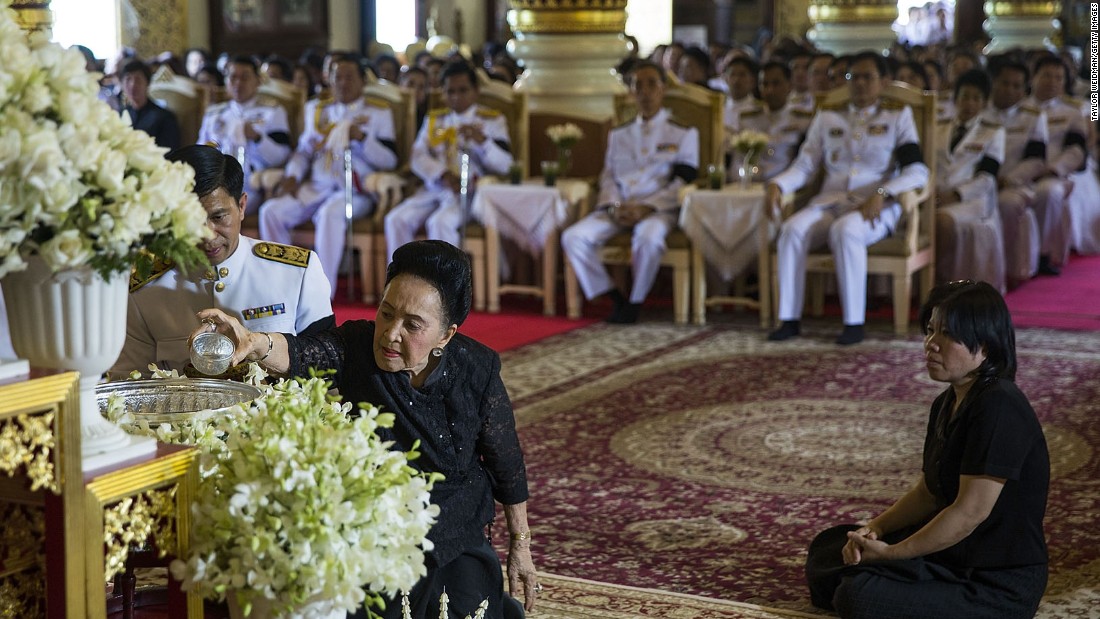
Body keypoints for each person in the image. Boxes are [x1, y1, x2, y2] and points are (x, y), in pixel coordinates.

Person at [191, 240, 540, 619]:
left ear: (446, 335)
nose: (391, 334)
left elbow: (506, 463)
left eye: (413, 325)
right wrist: (254, 342)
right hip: (379, 526)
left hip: (456, 526)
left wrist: (520, 546)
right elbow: (302, 354)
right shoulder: (356, 344)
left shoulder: (477, 368)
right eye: (386, 313)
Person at [805, 280, 1049, 619]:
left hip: (994, 580)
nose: (931, 344)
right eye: (931, 330)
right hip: (954, 555)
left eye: (947, 335)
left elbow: (968, 513)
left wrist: (893, 555)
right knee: (829, 548)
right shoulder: (947, 401)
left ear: (985, 346)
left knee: (858, 597)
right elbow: (929, 494)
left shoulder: (999, 408)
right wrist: (876, 529)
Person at [112, 145, 333, 375]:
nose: (207, 234)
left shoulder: (297, 272)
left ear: (242, 206)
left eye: (218, 217)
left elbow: (328, 368)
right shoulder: (143, 291)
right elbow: (132, 382)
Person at [766, 51, 930, 345]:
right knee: (791, 229)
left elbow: (917, 170)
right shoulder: (828, 116)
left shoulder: (897, 116)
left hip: (877, 206)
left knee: (845, 230)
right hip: (830, 200)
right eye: (854, 77)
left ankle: (853, 323)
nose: (860, 84)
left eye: (869, 77)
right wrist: (778, 185)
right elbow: (805, 165)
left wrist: (883, 192)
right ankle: (788, 318)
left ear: (884, 81)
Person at [560, 60, 699, 324]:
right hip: (620, 207)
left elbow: (684, 181)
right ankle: (614, 297)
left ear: (663, 89)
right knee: (573, 237)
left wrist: (648, 207)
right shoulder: (619, 134)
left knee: (649, 237)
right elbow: (609, 176)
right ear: (631, 92)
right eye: (638, 86)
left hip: (658, 209)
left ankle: (635, 301)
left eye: (651, 85)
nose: (645, 92)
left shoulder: (682, 133)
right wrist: (613, 206)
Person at [259, 56, 398, 296]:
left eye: (349, 77)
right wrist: (292, 175)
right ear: (329, 80)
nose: (343, 83)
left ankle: (322, 292)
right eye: (337, 77)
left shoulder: (378, 112)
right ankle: (281, 286)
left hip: (355, 190)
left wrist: (362, 139)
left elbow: (389, 160)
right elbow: (303, 151)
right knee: (270, 211)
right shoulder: (317, 110)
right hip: (317, 185)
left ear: (363, 81)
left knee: (330, 214)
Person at [384, 61, 514, 260]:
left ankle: (446, 287)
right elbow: (417, 156)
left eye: (463, 91)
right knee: (395, 219)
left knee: (440, 222)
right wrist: (441, 174)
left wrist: (482, 142)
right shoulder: (435, 120)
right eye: (450, 91)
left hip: (468, 193)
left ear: (476, 90)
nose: (456, 97)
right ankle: (401, 279)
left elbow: (506, 165)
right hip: (436, 186)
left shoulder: (491, 120)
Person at [982, 59, 1056, 285]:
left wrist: (1008, 179)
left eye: (1016, 86)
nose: (1010, 90)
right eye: (1004, 83)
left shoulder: (1033, 116)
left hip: (1013, 184)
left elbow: (1036, 161)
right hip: (978, 181)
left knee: (1008, 204)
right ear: (993, 83)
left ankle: (1001, 269)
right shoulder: (979, 112)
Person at [933, 69, 1006, 291]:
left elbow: (987, 177)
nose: (969, 103)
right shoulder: (937, 126)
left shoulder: (993, 132)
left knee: (942, 221)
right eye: (964, 96)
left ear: (984, 103)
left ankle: (937, 280)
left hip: (972, 200)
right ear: (955, 98)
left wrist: (955, 195)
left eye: (976, 98)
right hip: (936, 194)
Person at [197, 56, 292, 214]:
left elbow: (281, 156)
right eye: (233, 77)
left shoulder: (272, 112)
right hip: (215, 182)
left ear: (257, 81)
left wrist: (257, 138)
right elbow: (200, 153)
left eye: (245, 78)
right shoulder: (214, 115)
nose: (238, 83)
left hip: (252, 185)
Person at [120, 59, 181, 150]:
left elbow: (169, 152)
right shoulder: (119, 114)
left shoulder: (164, 117)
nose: (132, 85)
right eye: (128, 79)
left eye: (138, 79)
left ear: (147, 83)